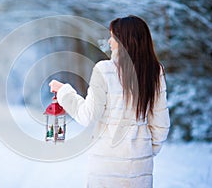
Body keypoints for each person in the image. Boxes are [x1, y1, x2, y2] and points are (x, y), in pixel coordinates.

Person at [49, 15, 170, 188]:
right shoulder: (155, 72)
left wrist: (64, 92)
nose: (109, 41)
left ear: (123, 41)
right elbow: (161, 124)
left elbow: (87, 115)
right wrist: (145, 152)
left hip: (105, 167)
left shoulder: (104, 70)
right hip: (139, 168)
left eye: (112, 36)